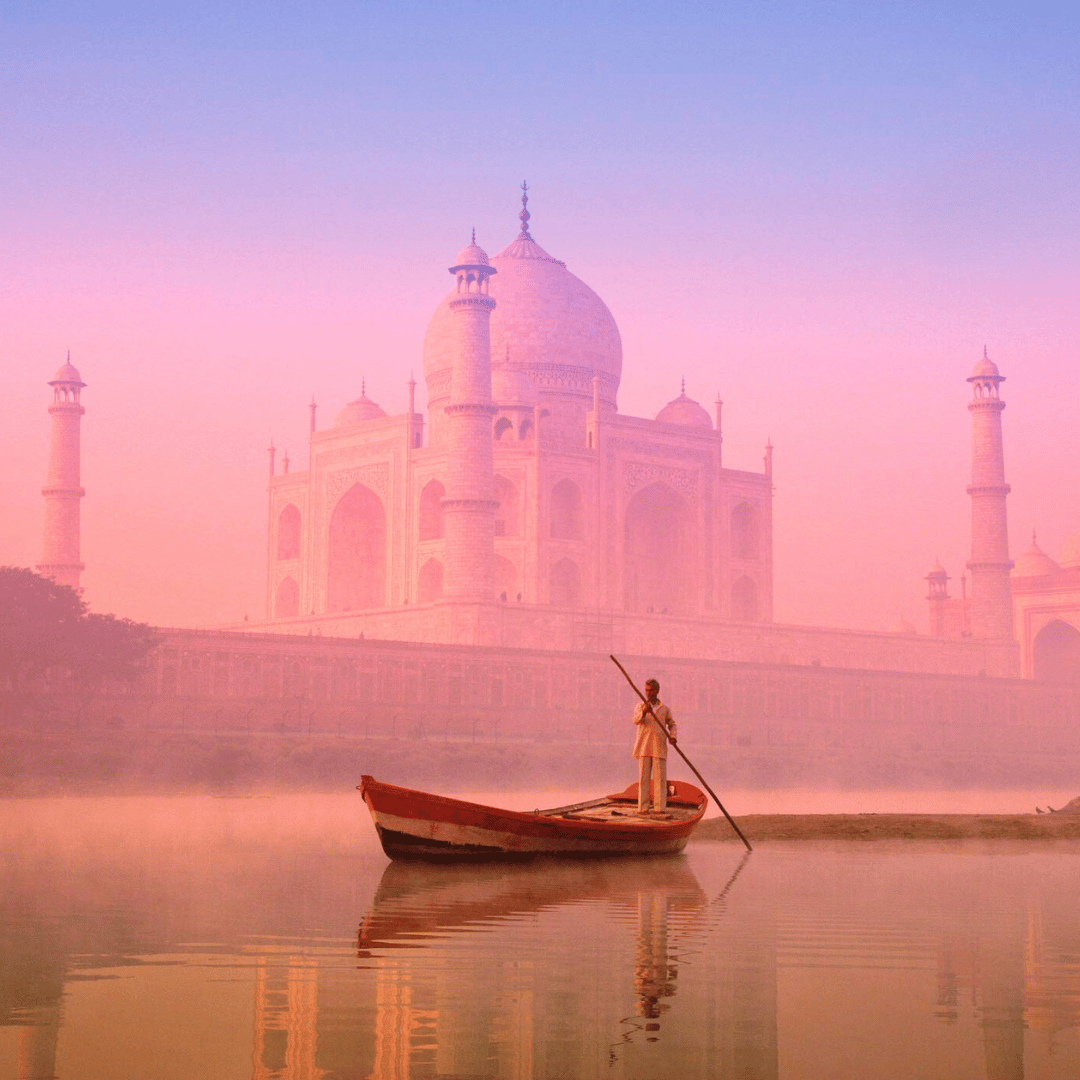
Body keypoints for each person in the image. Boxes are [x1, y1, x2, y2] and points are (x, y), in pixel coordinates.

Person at [632, 678, 677, 813]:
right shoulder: (640, 706)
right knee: (643, 780)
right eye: (646, 690)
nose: (648, 693)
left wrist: (673, 737)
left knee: (660, 780)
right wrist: (644, 712)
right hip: (644, 746)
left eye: (651, 690)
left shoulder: (664, 709)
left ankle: (659, 808)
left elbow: (672, 724)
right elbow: (635, 720)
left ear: (657, 691)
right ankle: (643, 808)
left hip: (659, 747)